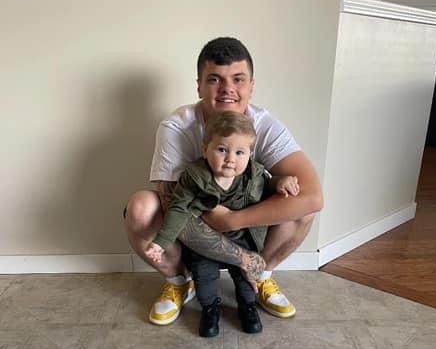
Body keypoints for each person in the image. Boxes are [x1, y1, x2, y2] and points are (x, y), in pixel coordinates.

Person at [124, 36, 323, 326]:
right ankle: (179, 281)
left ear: (251, 86)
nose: (227, 89)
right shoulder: (177, 127)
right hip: (190, 223)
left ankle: (261, 275)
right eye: (215, 79)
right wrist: (241, 256)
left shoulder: (265, 125)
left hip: (243, 225)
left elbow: (313, 197)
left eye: (238, 79)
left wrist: (233, 220)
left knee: (301, 204)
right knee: (141, 207)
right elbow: (172, 206)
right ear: (199, 86)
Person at [146, 112, 300, 337]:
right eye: (221, 150)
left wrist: (281, 182)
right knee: (204, 278)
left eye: (239, 152)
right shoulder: (194, 177)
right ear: (205, 149)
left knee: (246, 279)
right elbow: (178, 209)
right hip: (205, 242)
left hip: (244, 239)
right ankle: (210, 308)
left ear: (250, 154)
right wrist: (161, 242)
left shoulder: (254, 175)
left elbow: (268, 185)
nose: (230, 159)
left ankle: (247, 306)